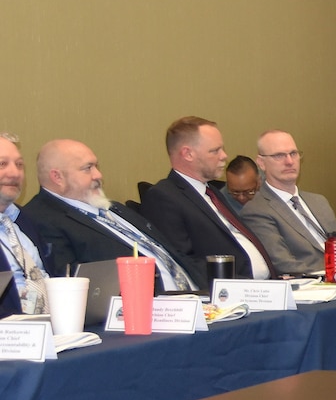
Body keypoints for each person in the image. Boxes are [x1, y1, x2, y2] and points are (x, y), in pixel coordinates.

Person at [23, 139, 203, 292]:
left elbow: (171, 253)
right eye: (88, 168)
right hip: (150, 310)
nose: (98, 175)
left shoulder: (114, 208)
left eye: (97, 166)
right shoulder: (41, 219)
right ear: (57, 177)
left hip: (200, 297)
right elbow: (71, 282)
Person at [140, 116, 275, 282]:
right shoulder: (163, 197)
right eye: (215, 151)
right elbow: (183, 262)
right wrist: (243, 287)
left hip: (269, 285)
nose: (224, 156)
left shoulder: (211, 192)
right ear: (188, 154)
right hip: (234, 293)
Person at [241, 129, 336, 274]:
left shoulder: (318, 201)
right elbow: (284, 264)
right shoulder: (257, 210)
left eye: (293, 154)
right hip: (314, 286)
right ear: (261, 163)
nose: (289, 161)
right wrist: (335, 275)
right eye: (279, 156)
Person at [0, 133, 50, 316]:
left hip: (52, 325)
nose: (14, 173)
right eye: (2, 164)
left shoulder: (25, 219)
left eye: (19, 165)